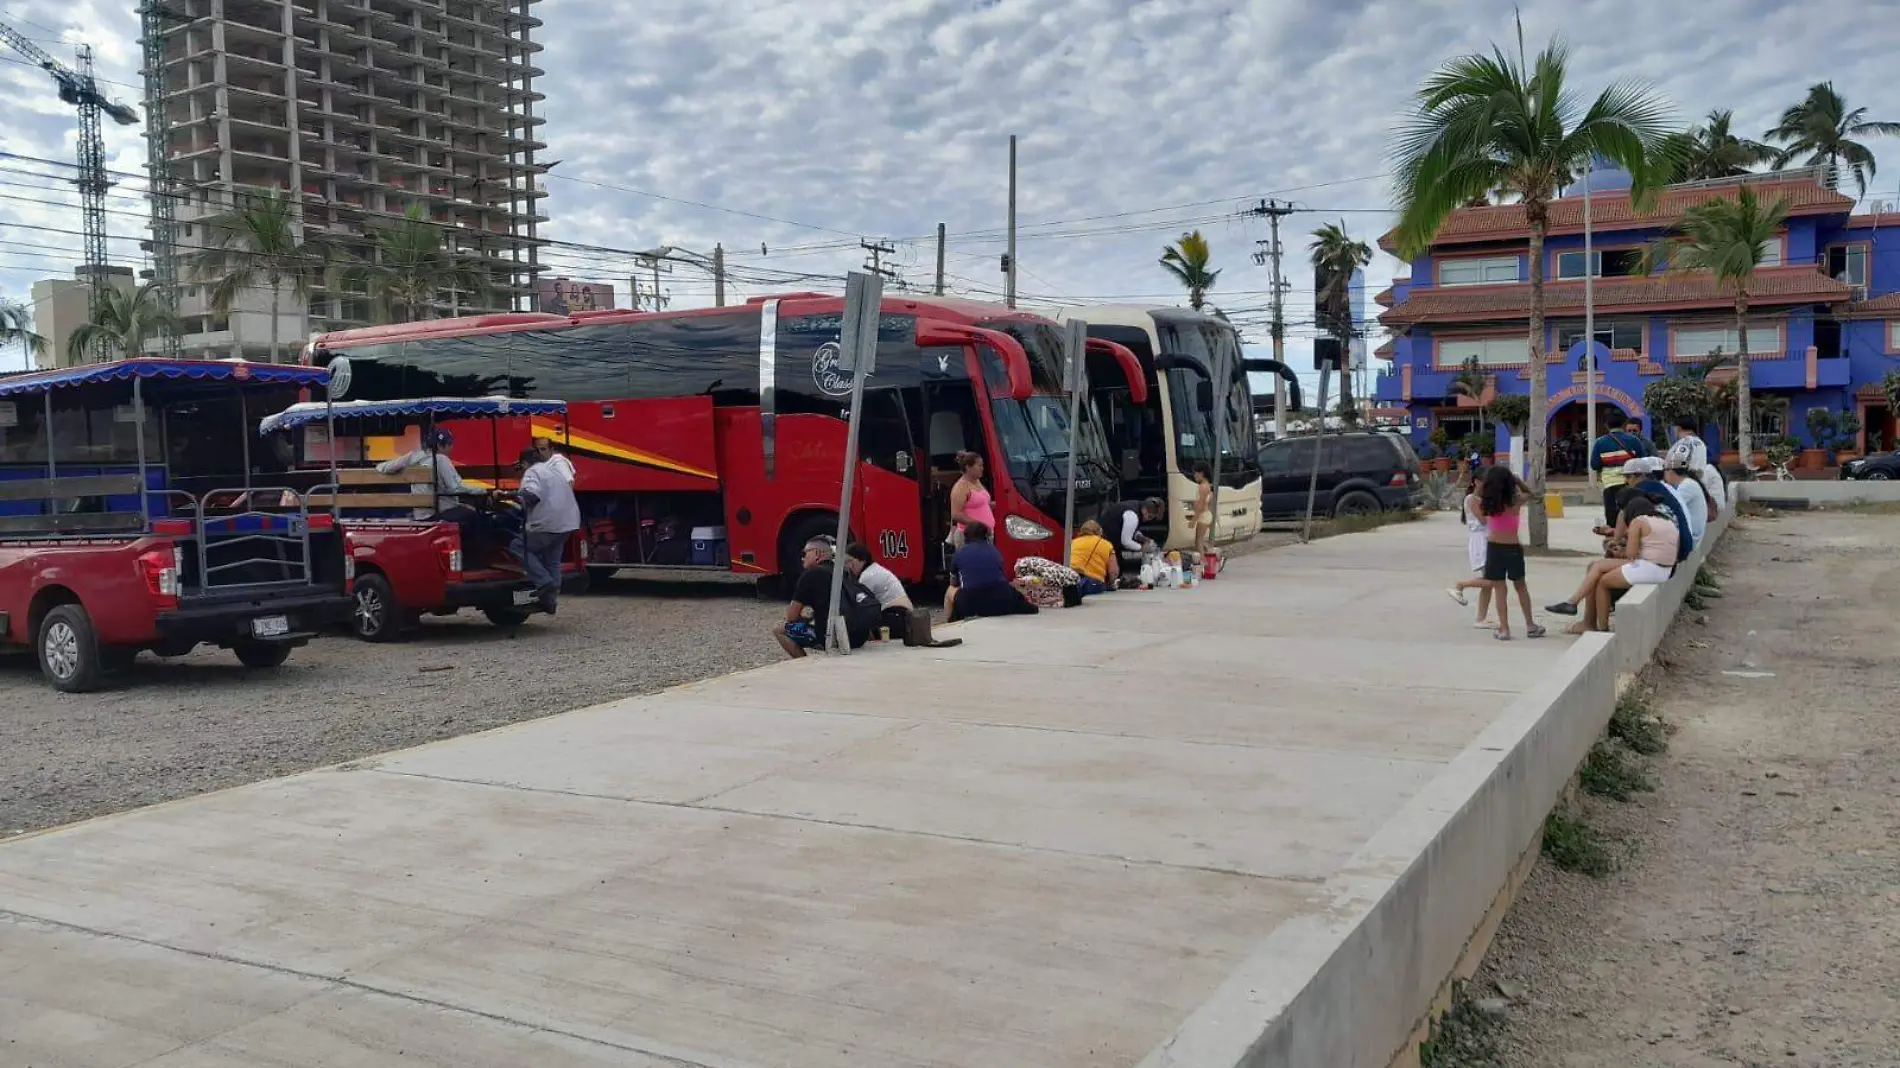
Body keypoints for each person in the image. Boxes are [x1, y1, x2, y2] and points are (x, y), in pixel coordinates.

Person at [1564, 496, 1677, 634]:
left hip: (1650, 568)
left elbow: (1631, 555)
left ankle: (1601, 627)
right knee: (1598, 566)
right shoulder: (1667, 521)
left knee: (1603, 582)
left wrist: (1621, 549)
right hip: (1665, 569)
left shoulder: (1638, 521)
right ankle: (1574, 605)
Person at [774, 536, 879, 657]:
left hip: (833, 638)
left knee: (780, 629)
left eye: (805, 553)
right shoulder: (842, 571)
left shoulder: (809, 575)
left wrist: (805, 619)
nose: (802, 558)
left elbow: (791, 617)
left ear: (817, 553)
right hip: (858, 636)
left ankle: (804, 666)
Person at [1474, 465, 1545, 641]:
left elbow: (1481, 490)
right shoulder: (1515, 501)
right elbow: (1531, 493)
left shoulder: (1486, 501)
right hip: (1512, 548)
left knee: (1500, 590)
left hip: (1494, 548)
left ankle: (1504, 629)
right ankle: (1530, 624)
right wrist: (1518, 480)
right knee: (1521, 587)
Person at [513, 446, 580, 612]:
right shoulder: (552, 470)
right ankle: (549, 602)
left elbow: (532, 495)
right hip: (568, 522)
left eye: (520, 467)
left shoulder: (532, 472)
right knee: (552, 559)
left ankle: (544, 582)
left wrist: (512, 499)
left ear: (525, 463)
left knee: (518, 546)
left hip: (547, 523)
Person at [944, 521, 1038, 621]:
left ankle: (949, 624)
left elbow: (954, 582)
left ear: (965, 536)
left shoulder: (959, 553)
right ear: (986, 536)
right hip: (1002, 600)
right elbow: (1000, 576)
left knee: (949, 590)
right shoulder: (994, 551)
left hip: (972, 603)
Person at [1444, 471, 1494, 628]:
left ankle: (1481, 618)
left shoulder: (1482, 499)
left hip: (1487, 538)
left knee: (1489, 582)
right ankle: (1460, 585)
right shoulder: (1471, 499)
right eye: (1484, 482)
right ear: (1476, 482)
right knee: (1491, 580)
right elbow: (1483, 519)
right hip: (1481, 540)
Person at [1588, 414, 1652, 527]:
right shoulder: (1634, 440)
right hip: (1630, 485)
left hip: (1610, 485)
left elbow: (1594, 465)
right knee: (1631, 517)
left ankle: (1615, 540)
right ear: (1624, 425)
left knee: (1612, 519)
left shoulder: (1600, 443)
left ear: (1606, 425)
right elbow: (1643, 460)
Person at [1100, 496, 1165, 569]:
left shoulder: (1137, 507)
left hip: (1110, 539)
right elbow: (1126, 541)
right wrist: (1142, 548)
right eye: (1149, 516)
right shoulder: (1132, 515)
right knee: (1115, 568)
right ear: (1145, 510)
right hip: (1105, 540)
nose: (1148, 519)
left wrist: (1142, 538)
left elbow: (1131, 529)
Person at [947, 450, 993, 548]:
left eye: (982, 465)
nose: (982, 468)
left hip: (985, 536)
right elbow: (956, 515)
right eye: (979, 466)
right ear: (968, 467)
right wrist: (980, 526)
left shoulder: (977, 482)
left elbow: (981, 503)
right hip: (969, 537)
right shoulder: (960, 487)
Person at [1661, 453, 1711, 544]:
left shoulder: (1687, 486)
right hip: (1692, 535)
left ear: (1671, 471)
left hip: (1692, 538)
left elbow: (1667, 508)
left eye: (1664, 470)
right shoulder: (1688, 483)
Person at [1069, 518, 1119, 597]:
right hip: (1093, 582)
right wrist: (1111, 583)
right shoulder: (1106, 544)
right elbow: (1114, 572)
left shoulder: (1073, 542)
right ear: (1099, 531)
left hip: (1071, 578)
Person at [1191, 462, 1214, 554]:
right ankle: (1210, 556)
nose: (1194, 475)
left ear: (1201, 473)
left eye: (1195, 473)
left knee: (1198, 542)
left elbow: (1200, 505)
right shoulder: (1208, 486)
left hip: (1203, 516)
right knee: (1201, 541)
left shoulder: (1202, 487)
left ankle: (1205, 562)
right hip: (1206, 515)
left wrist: (1194, 520)